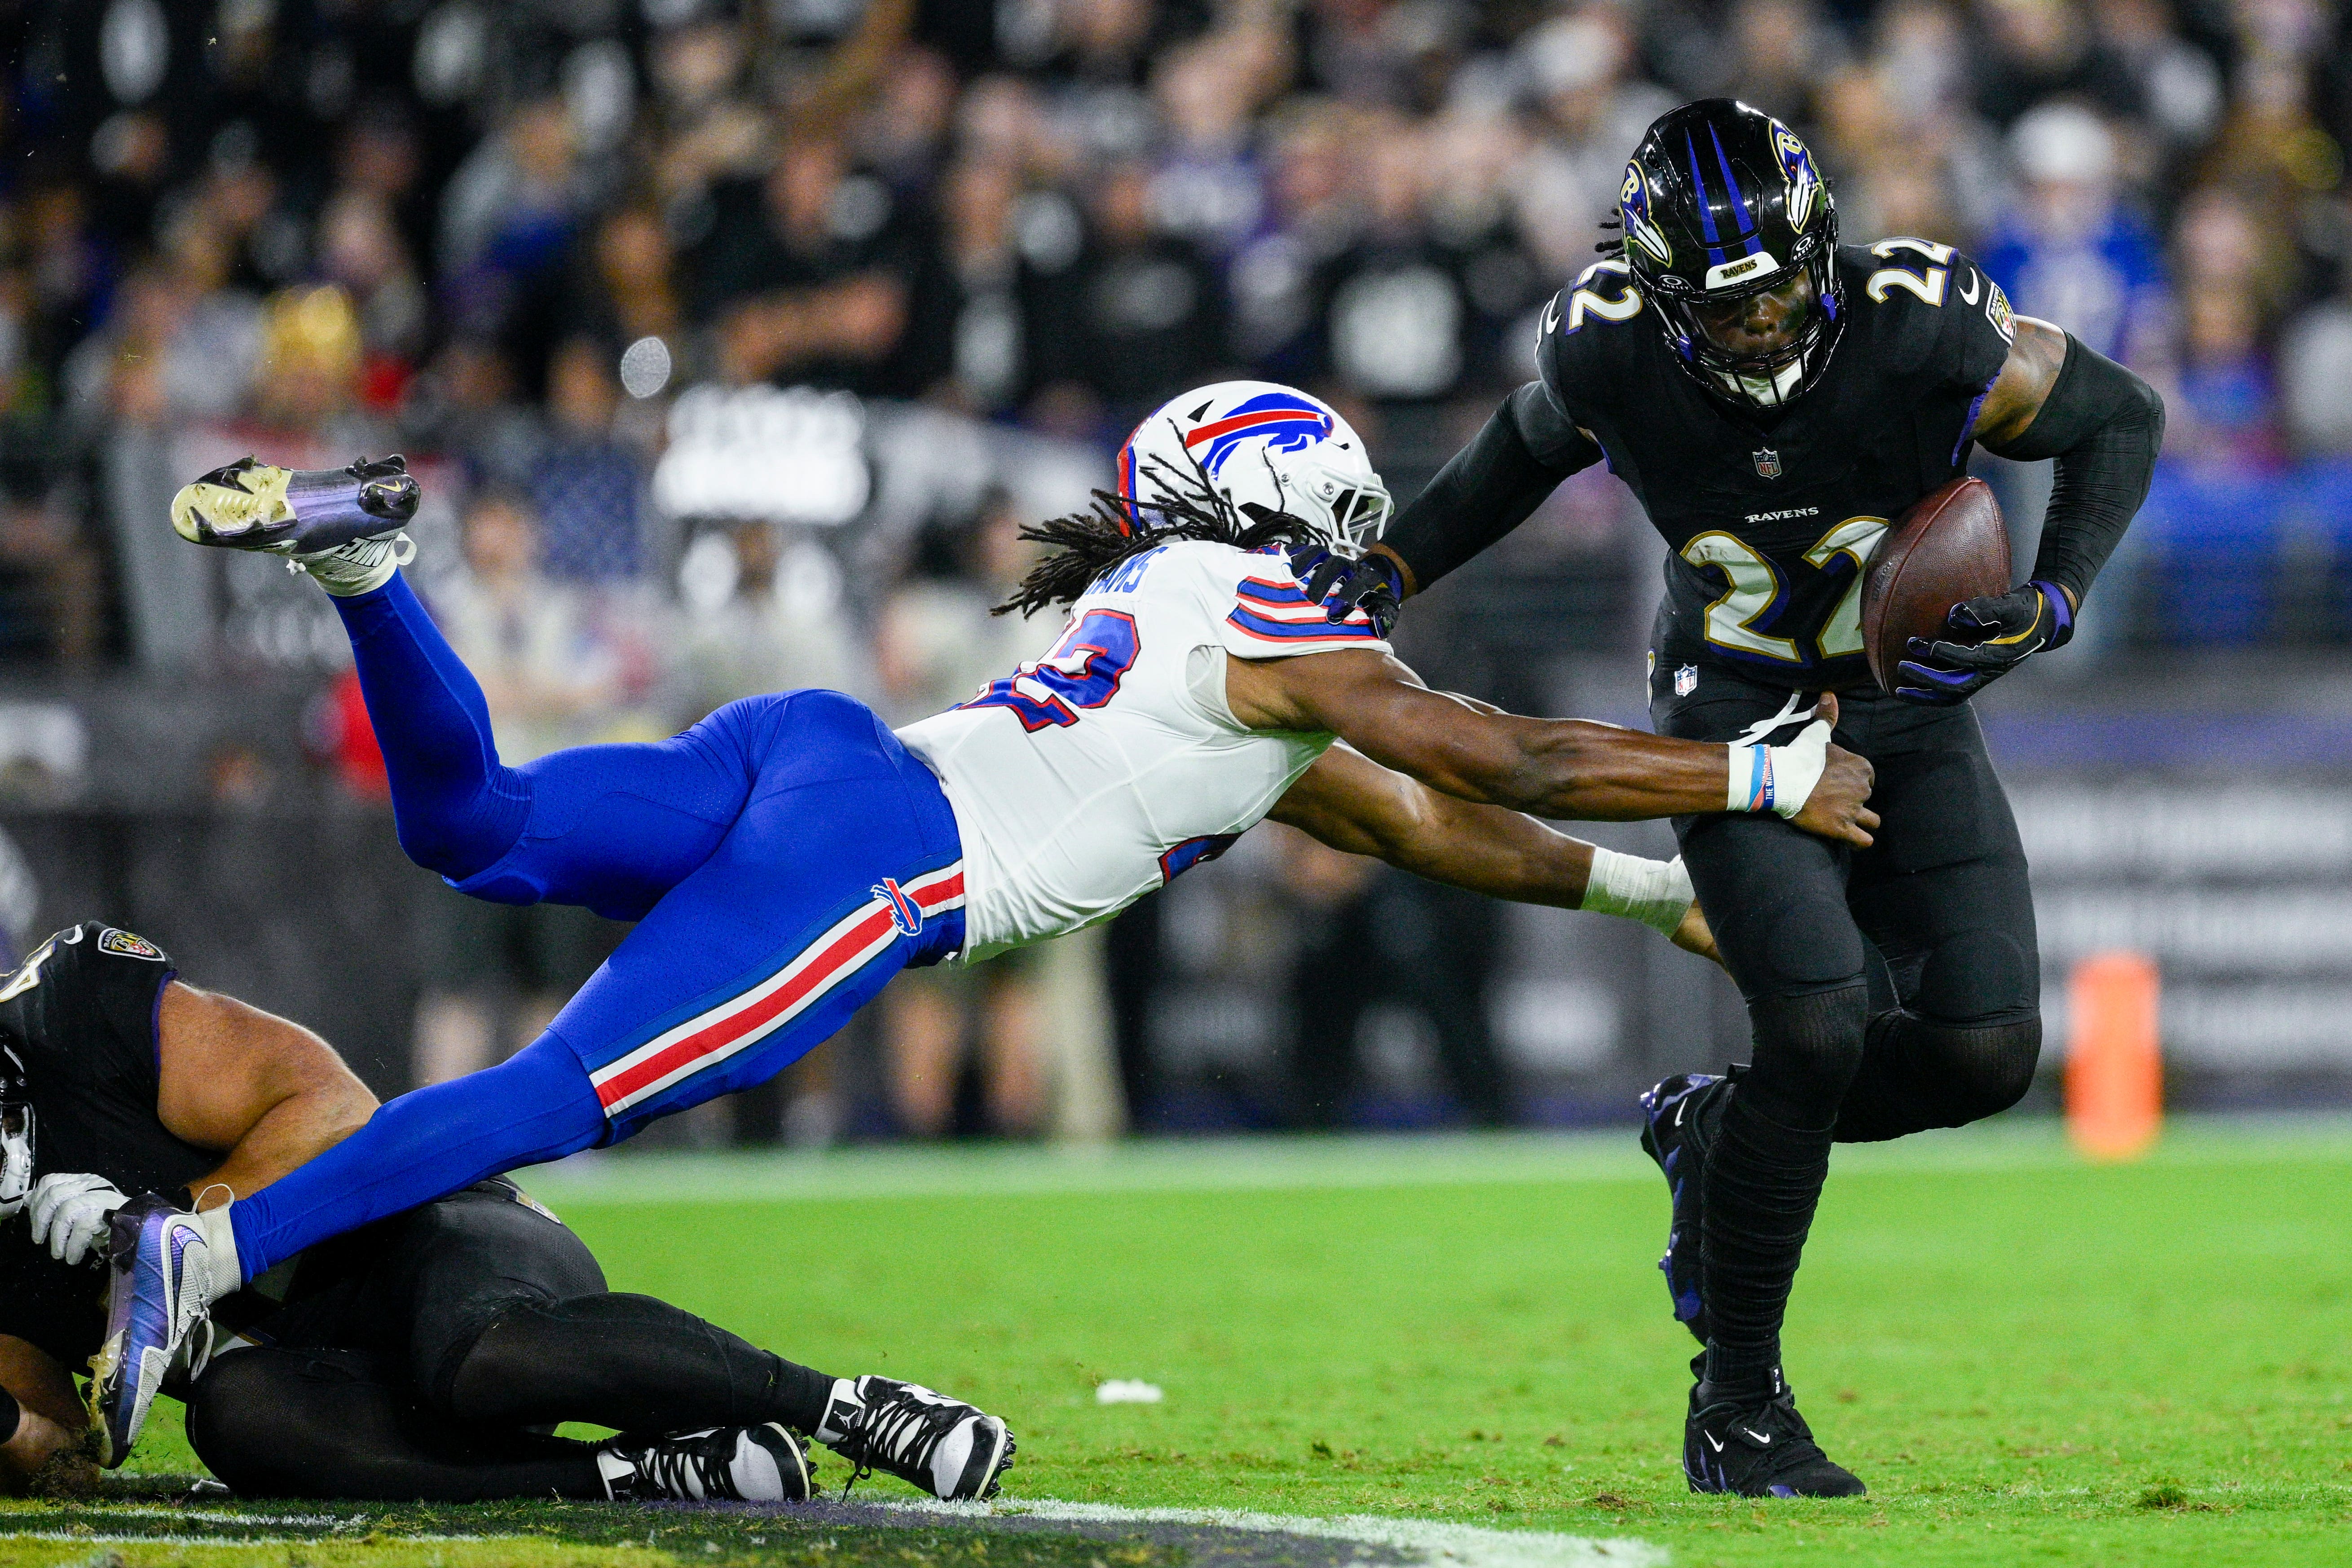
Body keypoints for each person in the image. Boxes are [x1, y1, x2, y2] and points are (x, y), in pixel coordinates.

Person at [102, 381, 1881, 1464]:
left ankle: (364, 573)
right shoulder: (1255, 618)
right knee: (560, 1094)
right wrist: (1750, 780)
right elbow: (1496, 754)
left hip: (814, 755)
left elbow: (1429, 821)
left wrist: (1660, 904)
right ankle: (198, 1260)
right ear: (1285, 506)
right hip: (879, 854)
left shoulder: (1185, 633)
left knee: (475, 829)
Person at [1298, 101, 2163, 1498]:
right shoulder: (1606, 348)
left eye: (1776, 289)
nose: (1759, 324)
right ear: (1655, 290)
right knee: (1816, 1019)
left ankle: (1713, 1129)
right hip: (1731, 703)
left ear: (1821, 248)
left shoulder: (1919, 322)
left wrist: (2052, 595)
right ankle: (1738, 1399)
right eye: (1724, 304)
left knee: (1985, 1051)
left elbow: (2118, 415)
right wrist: (1392, 567)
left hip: (1906, 704)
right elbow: (1522, 448)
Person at [0, 921, 995, 1503]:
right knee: (239, 1418)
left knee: (478, 1360)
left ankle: (849, 1410)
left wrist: (165, 1222)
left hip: (442, 1240)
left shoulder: (73, 1006)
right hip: (333, 1380)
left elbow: (331, 1105)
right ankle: (631, 1475)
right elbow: (60, 1450)